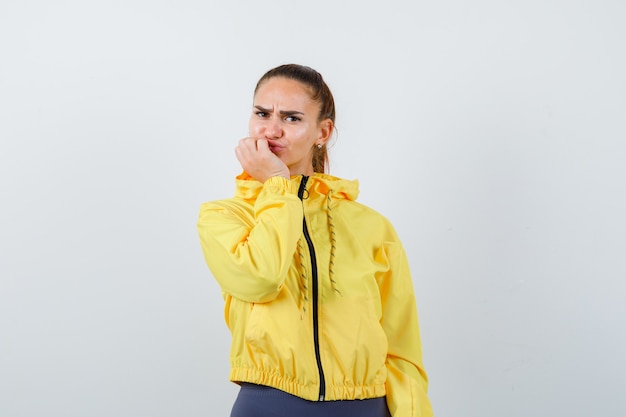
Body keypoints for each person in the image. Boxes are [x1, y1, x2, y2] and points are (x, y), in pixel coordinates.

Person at [197, 64, 433, 417]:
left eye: (292, 118)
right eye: (262, 114)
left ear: (322, 131)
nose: (272, 129)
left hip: (366, 408)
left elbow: (402, 347)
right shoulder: (224, 217)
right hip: (269, 405)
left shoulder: (372, 227)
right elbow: (260, 278)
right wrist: (277, 184)